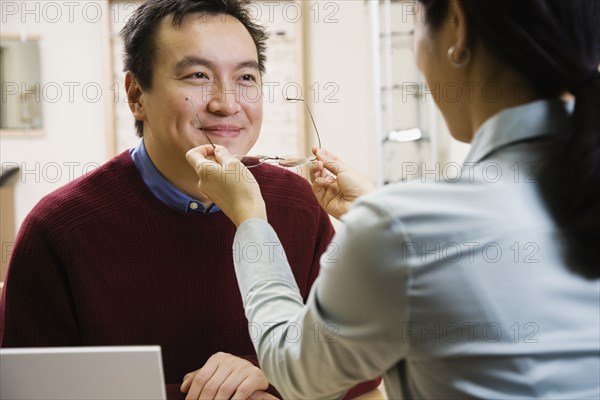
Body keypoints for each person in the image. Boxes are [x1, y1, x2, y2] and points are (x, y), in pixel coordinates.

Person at [185, 0, 600, 398]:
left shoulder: (402, 225)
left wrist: (251, 219)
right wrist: (384, 219)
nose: (224, 104)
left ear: (457, 24)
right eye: (197, 76)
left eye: (416, 23)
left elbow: (296, 372)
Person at [0, 0, 383, 398]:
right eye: (198, 75)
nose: (227, 103)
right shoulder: (59, 229)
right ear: (136, 96)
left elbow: (358, 377)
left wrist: (266, 372)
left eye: (246, 78)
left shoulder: (298, 203)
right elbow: (26, 390)